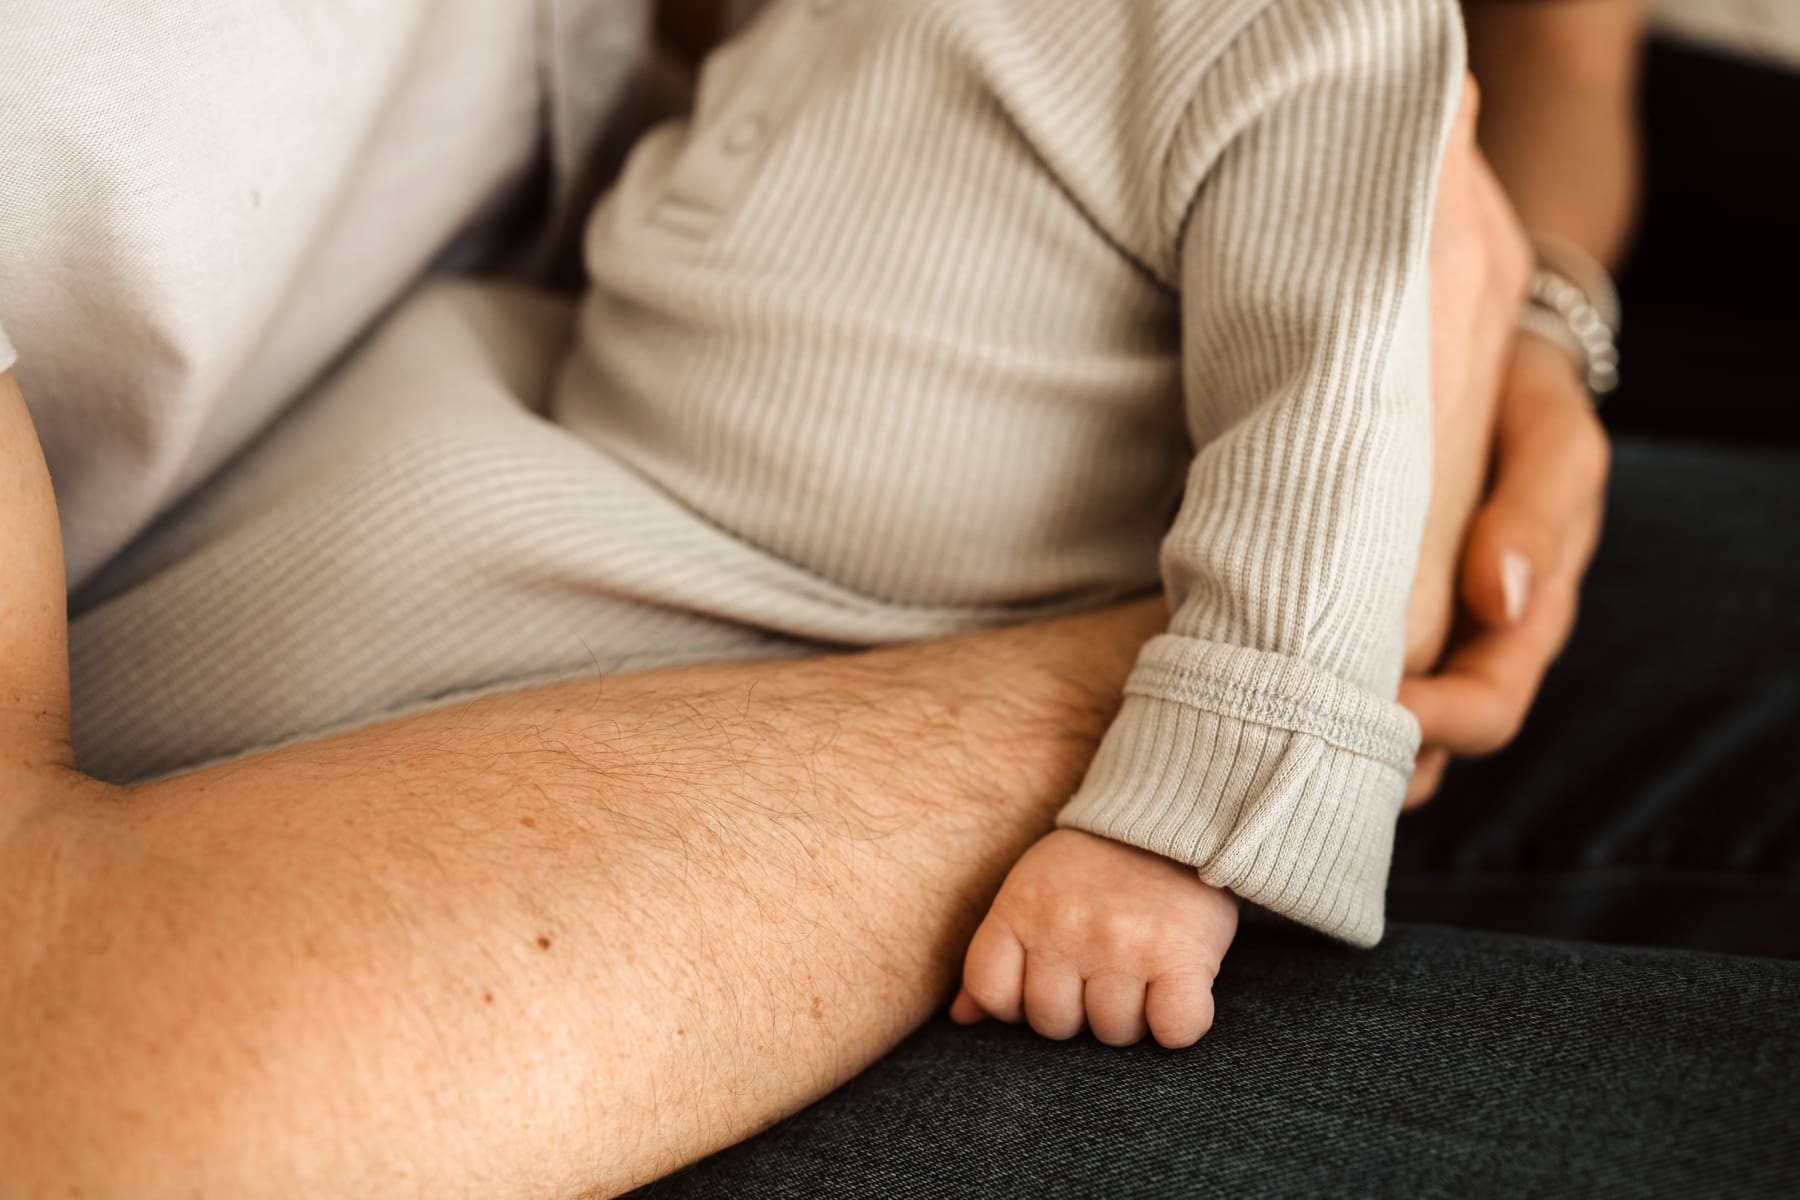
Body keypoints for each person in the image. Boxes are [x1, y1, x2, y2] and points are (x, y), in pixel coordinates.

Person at [1, 3, 1793, 1199]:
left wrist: (1202, 809)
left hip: (850, 595)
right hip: (517, 521)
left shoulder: (1293, 33)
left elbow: (1339, 413)